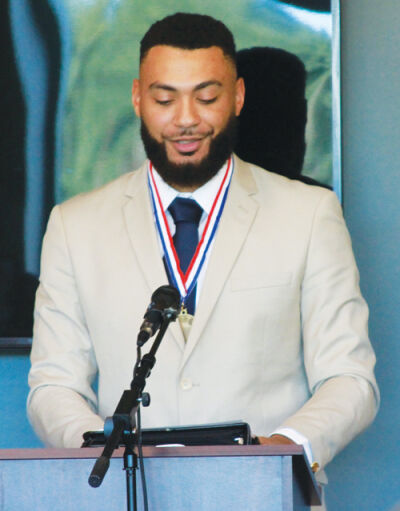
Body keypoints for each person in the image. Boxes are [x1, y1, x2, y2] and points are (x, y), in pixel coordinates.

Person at [28, 12, 378, 494]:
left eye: (207, 97)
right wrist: (96, 451)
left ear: (237, 97)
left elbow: (350, 378)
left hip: (267, 495)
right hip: (128, 499)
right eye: (165, 98)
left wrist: (281, 451)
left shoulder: (310, 214)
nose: (186, 119)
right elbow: (54, 384)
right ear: (137, 99)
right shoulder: (75, 225)